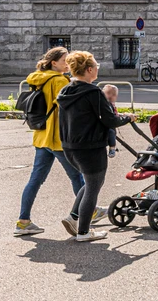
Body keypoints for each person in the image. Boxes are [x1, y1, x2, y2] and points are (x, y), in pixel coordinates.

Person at [57, 51, 133, 242]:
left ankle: (73, 217)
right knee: (93, 186)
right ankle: (83, 232)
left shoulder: (66, 91)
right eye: (96, 65)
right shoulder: (93, 92)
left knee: (90, 183)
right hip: (91, 147)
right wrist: (127, 118)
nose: (98, 68)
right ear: (89, 70)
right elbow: (110, 120)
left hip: (70, 146)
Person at [15, 47, 84, 237]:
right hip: (57, 138)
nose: (68, 64)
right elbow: (68, 109)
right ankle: (90, 211)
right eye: (64, 61)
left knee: (35, 180)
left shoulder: (38, 78)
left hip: (41, 136)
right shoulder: (59, 81)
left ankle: (23, 222)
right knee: (78, 177)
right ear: (54, 63)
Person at [102, 84, 120, 158]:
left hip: (110, 124)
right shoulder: (106, 103)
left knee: (112, 132)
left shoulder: (110, 104)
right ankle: (112, 148)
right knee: (111, 132)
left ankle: (112, 146)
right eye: (108, 93)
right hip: (107, 125)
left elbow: (114, 113)